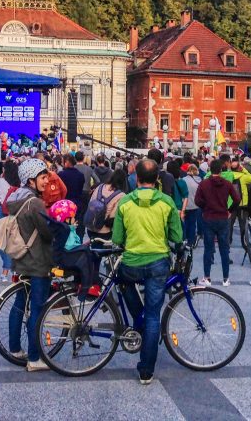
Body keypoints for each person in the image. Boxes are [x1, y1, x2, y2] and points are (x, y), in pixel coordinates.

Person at [111, 158, 183, 385]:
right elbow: (176, 237)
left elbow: (117, 239)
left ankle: (137, 319)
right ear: (157, 180)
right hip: (157, 263)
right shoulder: (167, 202)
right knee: (153, 315)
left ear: (137, 179)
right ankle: (146, 370)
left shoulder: (125, 203)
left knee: (123, 282)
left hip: (131, 263)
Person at [6, 158, 55, 372]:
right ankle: (35, 358)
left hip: (21, 259)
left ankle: (15, 348)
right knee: (37, 308)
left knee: (19, 304)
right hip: (37, 261)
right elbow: (46, 232)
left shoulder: (15, 197)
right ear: (31, 180)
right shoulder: (34, 202)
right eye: (43, 178)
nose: (46, 181)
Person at [194, 158, 240, 286]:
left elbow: (197, 200)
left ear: (210, 169)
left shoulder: (204, 184)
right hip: (223, 218)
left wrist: (206, 206)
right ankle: (226, 278)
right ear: (221, 170)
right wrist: (229, 210)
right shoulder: (227, 184)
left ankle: (207, 277)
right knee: (224, 249)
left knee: (208, 249)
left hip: (209, 218)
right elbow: (237, 199)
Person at [46, 199, 100, 297]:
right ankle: (87, 286)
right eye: (73, 217)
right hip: (70, 260)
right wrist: (83, 247)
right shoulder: (67, 233)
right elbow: (71, 247)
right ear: (67, 219)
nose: (75, 219)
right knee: (89, 259)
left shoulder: (60, 230)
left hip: (62, 259)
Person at [85, 168, 126, 244]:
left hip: (90, 226)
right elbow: (112, 217)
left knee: (91, 251)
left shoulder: (100, 186)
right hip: (103, 231)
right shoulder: (121, 195)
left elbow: (90, 203)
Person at [180, 162, 203, 247]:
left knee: (184, 223)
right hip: (195, 205)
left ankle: (184, 241)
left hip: (185, 205)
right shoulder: (199, 180)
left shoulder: (183, 180)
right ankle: (191, 241)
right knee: (192, 224)